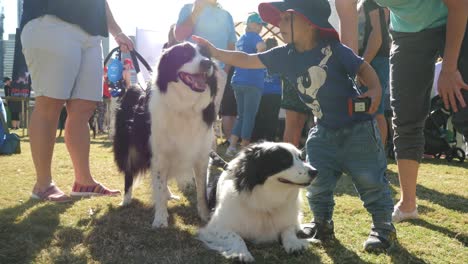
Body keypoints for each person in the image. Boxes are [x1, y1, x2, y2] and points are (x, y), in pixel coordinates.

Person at [193, 0, 396, 252]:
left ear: (309, 23)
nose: (278, 23)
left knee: (371, 181)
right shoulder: (283, 56)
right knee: (317, 184)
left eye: (286, 18)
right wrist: (216, 52)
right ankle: (322, 223)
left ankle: (383, 225)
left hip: (359, 130)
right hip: (322, 131)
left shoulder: (333, 49)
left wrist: (375, 88)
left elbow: (363, 68)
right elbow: (246, 58)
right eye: (278, 19)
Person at [336, 0, 468, 223]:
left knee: (463, 106)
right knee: (405, 116)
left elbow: (459, 5)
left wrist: (449, 67)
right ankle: (408, 205)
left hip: (456, 20)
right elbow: (347, 22)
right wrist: (347, 81)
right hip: (407, 33)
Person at [21, 0, 134, 202]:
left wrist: (117, 31)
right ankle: (43, 184)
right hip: (51, 21)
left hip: (92, 34)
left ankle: (84, 181)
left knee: (84, 108)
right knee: (49, 103)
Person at [174, 0, 237, 137]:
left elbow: (231, 45)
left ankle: (207, 154)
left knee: (209, 118)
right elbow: (178, 36)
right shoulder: (188, 8)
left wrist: (224, 71)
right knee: (188, 116)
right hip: (191, 74)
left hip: (217, 73)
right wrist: (196, 11)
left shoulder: (226, 15)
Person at [224, 12, 266, 156]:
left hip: (238, 80)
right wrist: (262, 52)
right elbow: (261, 47)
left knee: (242, 116)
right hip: (252, 81)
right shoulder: (255, 37)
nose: (260, 27)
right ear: (249, 24)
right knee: (249, 116)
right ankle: (244, 149)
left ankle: (231, 147)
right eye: (258, 24)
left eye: (261, 25)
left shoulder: (241, 38)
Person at [357, 0, 390, 146]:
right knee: (368, 109)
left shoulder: (372, 1)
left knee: (375, 110)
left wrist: (363, 65)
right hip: (372, 59)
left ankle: (379, 157)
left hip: (374, 59)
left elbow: (378, 33)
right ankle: (375, 156)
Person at [251, 37, 282, 142]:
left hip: (261, 92)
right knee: (272, 118)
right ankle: (270, 140)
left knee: (259, 117)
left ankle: (256, 140)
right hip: (275, 93)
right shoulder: (279, 59)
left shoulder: (261, 57)